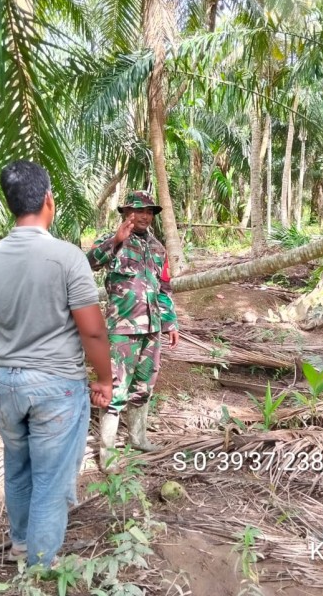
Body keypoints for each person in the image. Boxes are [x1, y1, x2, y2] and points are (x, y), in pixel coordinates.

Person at [0, 161, 113, 568]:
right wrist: (105, 378)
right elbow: (92, 332)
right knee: (50, 481)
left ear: (10, 204)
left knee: (17, 468)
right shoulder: (67, 258)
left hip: (7, 384)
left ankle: (20, 544)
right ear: (49, 199)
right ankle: (38, 567)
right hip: (56, 387)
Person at [86, 191, 179, 472]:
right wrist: (116, 240)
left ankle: (138, 438)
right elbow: (88, 262)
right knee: (115, 388)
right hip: (122, 329)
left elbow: (164, 287)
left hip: (152, 328)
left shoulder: (158, 247)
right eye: (139, 210)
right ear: (126, 212)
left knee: (144, 385)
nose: (145, 216)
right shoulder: (113, 240)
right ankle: (108, 453)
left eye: (149, 212)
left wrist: (170, 322)